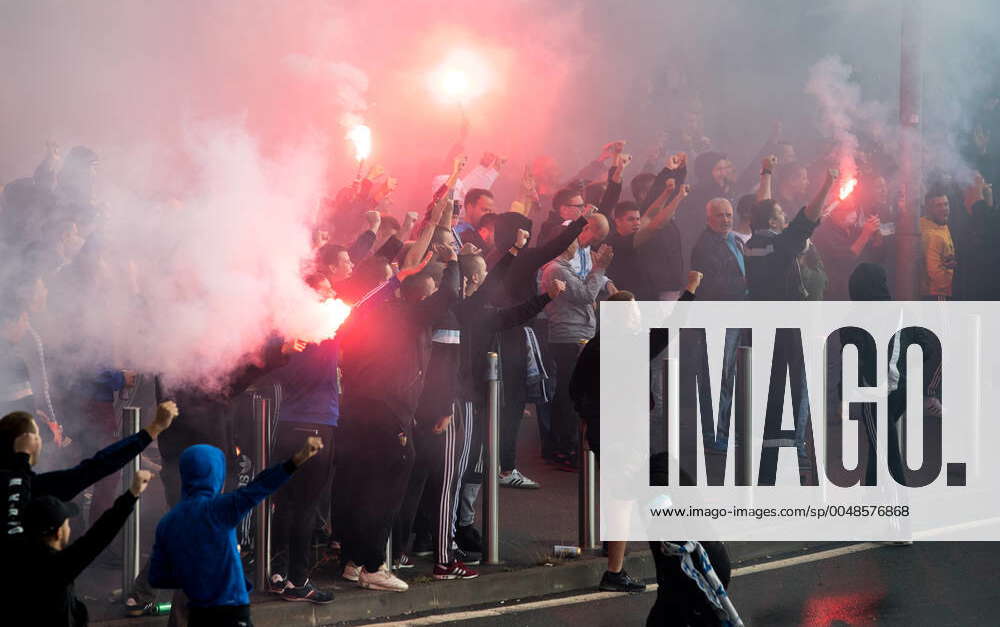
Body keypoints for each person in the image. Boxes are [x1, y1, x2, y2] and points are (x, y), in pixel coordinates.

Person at [571, 271, 703, 594]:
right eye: (633, 313)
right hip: (622, 430)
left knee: (624, 493)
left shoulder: (596, 346)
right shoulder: (627, 345)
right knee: (624, 497)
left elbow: (575, 388)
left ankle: (616, 553)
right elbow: (667, 332)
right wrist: (689, 291)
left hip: (607, 429)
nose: (638, 317)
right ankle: (614, 571)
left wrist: (588, 418)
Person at [149, 437, 325, 626]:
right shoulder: (221, 509)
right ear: (217, 476)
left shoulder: (169, 521)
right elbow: (261, 486)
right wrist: (296, 461)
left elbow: (158, 576)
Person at [13, 469, 153, 627]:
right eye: (66, 523)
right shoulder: (58, 567)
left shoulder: (17, 552)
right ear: (59, 533)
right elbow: (100, 533)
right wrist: (133, 492)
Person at [539, 240, 614, 470]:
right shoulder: (556, 269)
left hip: (575, 335)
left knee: (570, 394)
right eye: (573, 239)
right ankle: (564, 449)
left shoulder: (564, 267)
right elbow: (584, 294)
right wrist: (599, 268)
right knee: (568, 395)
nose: (578, 243)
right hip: (569, 337)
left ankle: (566, 448)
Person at [744, 168, 838, 301]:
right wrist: (827, 185)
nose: (785, 216)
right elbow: (805, 221)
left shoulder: (753, 242)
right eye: (781, 213)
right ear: (772, 222)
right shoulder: (777, 246)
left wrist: (767, 171)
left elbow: (762, 209)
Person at [690, 199, 746, 301]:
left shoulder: (734, 239)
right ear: (708, 219)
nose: (725, 220)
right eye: (719, 216)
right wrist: (746, 281)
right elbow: (713, 286)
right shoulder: (705, 247)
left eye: (729, 215)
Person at [919, 190, 956, 300]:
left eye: (946, 204)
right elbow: (935, 274)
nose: (944, 208)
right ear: (928, 209)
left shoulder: (941, 225)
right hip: (936, 293)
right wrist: (953, 279)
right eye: (939, 205)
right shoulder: (932, 236)